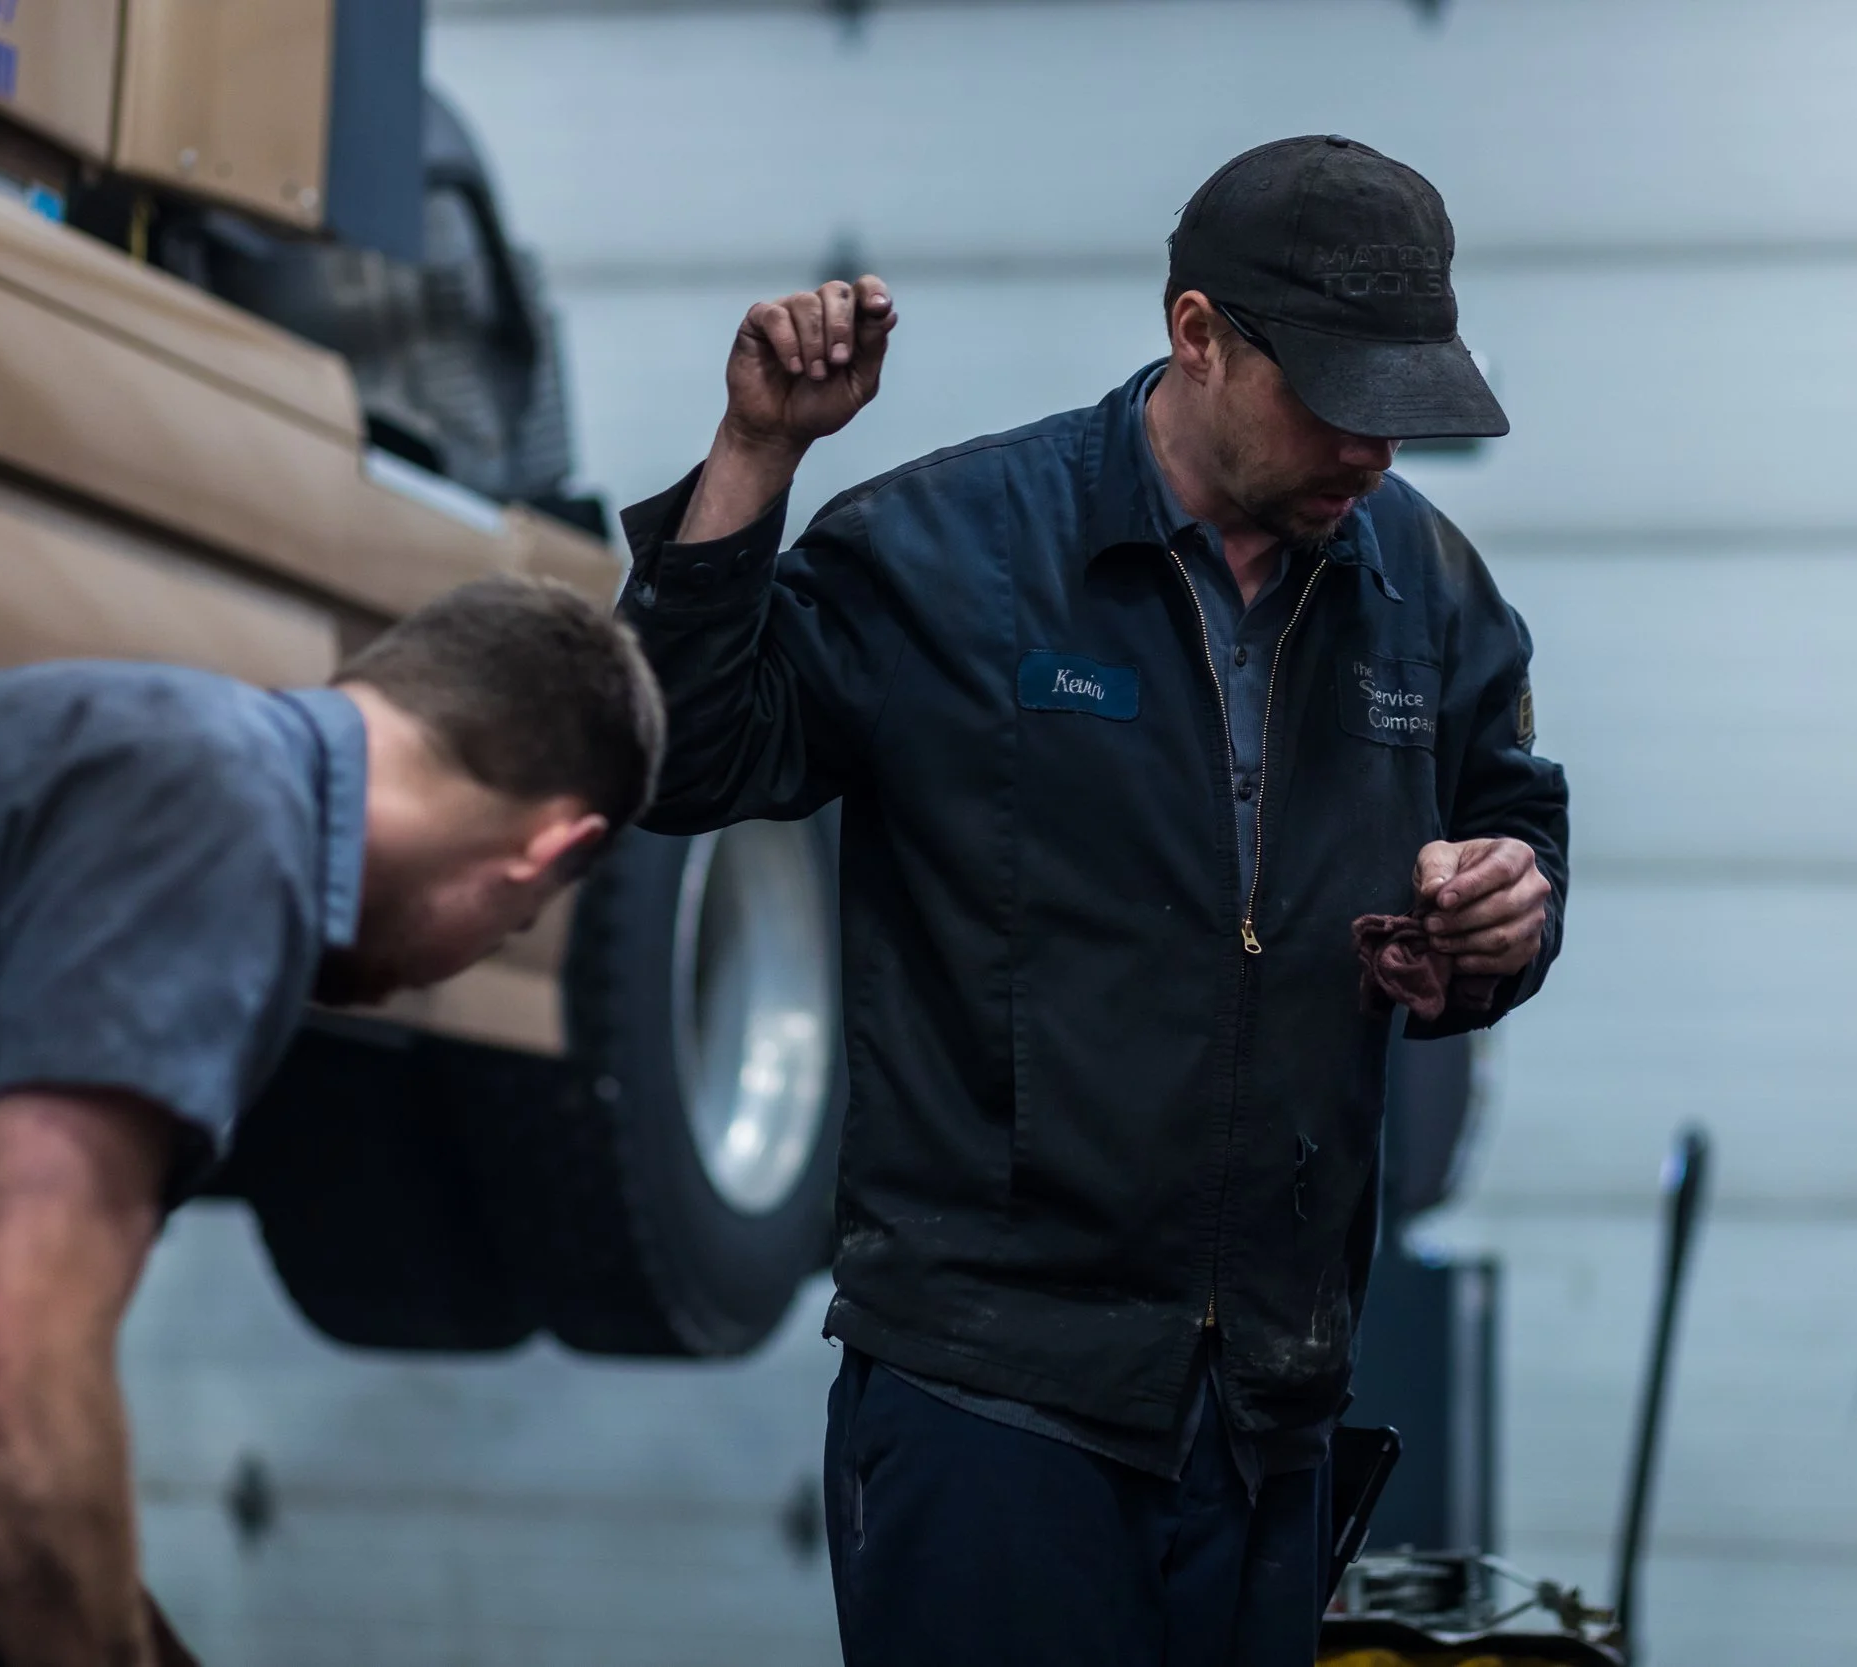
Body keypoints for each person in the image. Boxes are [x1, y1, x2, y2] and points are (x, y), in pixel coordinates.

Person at [617, 136, 1569, 1664]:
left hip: (1269, 1403)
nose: (1375, 455)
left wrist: (1510, 915)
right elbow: (678, 759)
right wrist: (754, 462)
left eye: (1406, 414)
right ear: (1199, 335)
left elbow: (1514, 818)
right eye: (1337, 402)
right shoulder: (949, 554)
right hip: (993, 1401)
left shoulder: (1424, 586)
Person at [0, 575, 664, 1666]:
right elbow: (2, 1386)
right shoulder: (225, 816)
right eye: (514, 925)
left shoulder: (129, 744)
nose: (464, 958)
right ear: (549, 853)